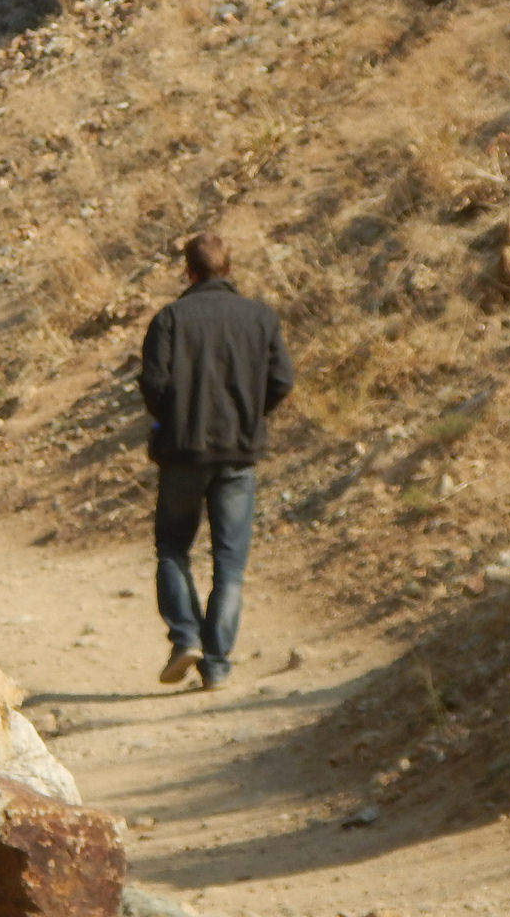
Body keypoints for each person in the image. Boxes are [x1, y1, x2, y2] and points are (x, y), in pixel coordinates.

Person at [138, 231, 292, 691]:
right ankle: (219, 663)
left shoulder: (170, 319)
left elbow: (153, 385)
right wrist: (252, 415)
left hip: (183, 452)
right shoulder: (259, 318)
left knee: (172, 548)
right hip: (239, 454)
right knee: (229, 562)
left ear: (188, 271)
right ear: (229, 269)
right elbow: (282, 378)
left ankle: (185, 636)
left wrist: (175, 418)